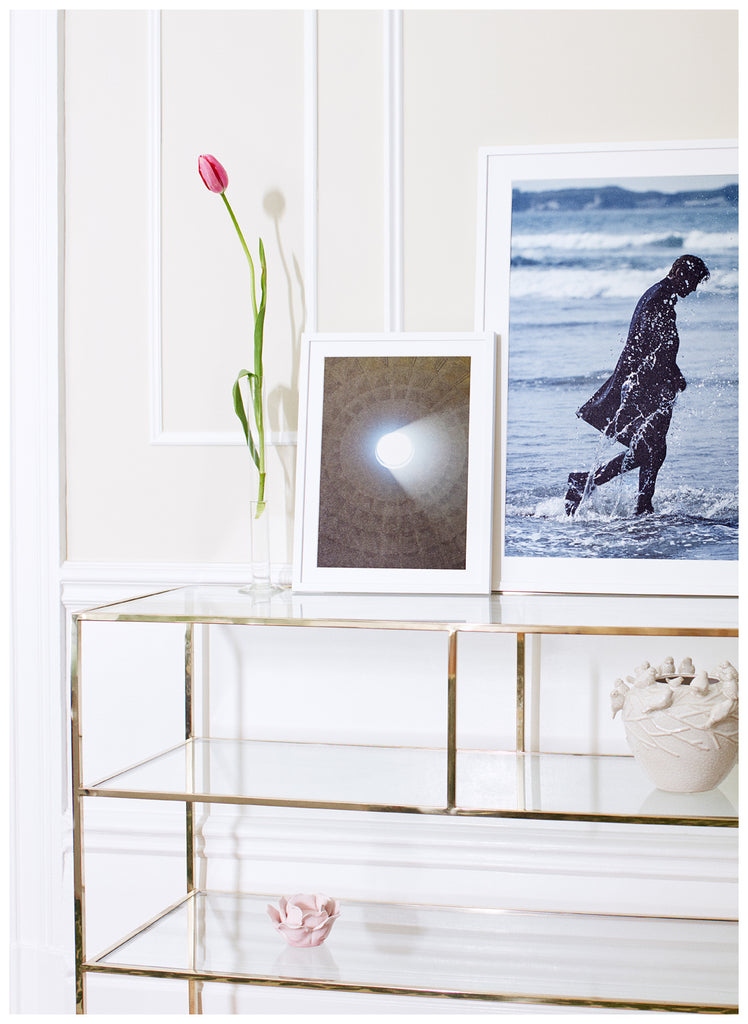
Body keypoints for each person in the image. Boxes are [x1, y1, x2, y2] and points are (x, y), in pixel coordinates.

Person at [565, 254, 710, 516]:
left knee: (653, 448)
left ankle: (641, 504)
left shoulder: (661, 295)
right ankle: (592, 483)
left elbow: (657, 343)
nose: (694, 288)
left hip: (654, 381)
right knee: (650, 448)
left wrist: (672, 373)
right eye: (693, 281)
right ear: (680, 273)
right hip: (646, 383)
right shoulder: (659, 298)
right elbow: (647, 341)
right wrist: (653, 377)